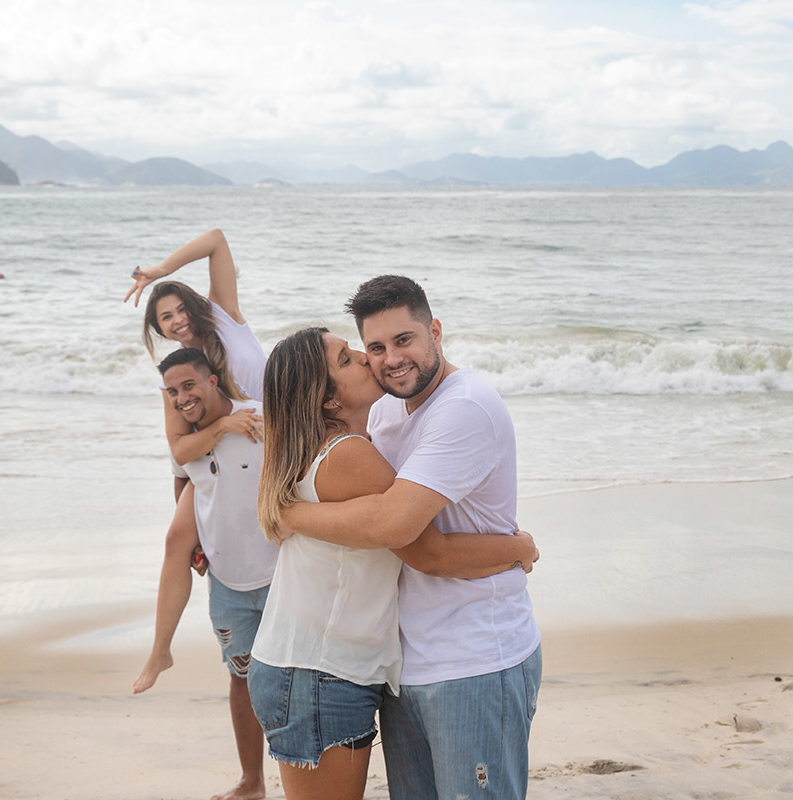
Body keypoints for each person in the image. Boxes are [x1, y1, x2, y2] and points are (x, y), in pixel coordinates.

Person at [248, 327, 538, 800]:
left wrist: (291, 514)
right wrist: (519, 548)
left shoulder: (316, 450)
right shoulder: (348, 455)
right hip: (319, 673)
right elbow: (428, 551)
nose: (367, 359)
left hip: (310, 668)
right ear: (326, 401)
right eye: (346, 359)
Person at [123, 229, 267, 696]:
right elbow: (180, 454)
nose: (177, 320)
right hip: (215, 458)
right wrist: (223, 428)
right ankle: (160, 649)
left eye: (181, 308)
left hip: (269, 442)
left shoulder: (225, 316)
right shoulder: (180, 374)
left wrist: (161, 271)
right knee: (176, 542)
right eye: (165, 317)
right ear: (158, 329)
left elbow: (218, 240)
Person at [159, 347, 278, 800]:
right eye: (172, 391)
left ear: (213, 380)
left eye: (189, 385)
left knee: (294, 675)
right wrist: (198, 540)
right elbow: (182, 481)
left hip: (281, 576)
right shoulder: (189, 441)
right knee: (241, 677)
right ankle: (252, 782)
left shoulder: (261, 418)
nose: (182, 397)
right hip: (228, 584)